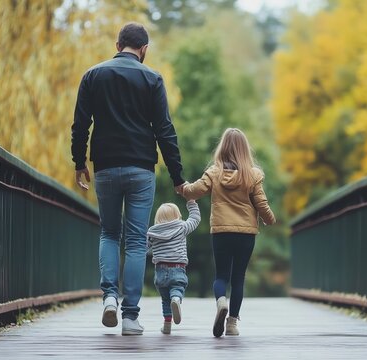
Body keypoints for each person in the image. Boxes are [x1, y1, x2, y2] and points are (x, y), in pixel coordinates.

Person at [70, 22, 185, 336]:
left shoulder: (93, 76)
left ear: (117, 43)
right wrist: (178, 177)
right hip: (140, 168)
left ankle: (109, 298)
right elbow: (165, 130)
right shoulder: (152, 78)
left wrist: (79, 162)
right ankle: (131, 317)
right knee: (135, 241)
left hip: (105, 166)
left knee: (109, 233)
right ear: (144, 49)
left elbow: (80, 125)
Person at [182, 128, 276, 337]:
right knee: (239, 277)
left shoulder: (214, 173)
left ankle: (221, 302)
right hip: (246, 234)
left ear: (222, 148)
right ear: (245, 150)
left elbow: (193, 191)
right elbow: (261, 203)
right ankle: (232, 324)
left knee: (221, 275)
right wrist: (270, 219)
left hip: (221, 231)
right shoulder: (252, 175)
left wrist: (182, 187)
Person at [146, 200, 201, 334]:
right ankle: (176, 298)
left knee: (165, 299)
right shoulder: (182, 227)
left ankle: (167, 325)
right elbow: (195, 218)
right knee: (177, 288)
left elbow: (142, 249)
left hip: (160, 271)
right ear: (178, 216)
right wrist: (191, 202)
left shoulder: (152, 232)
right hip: (177, 268)